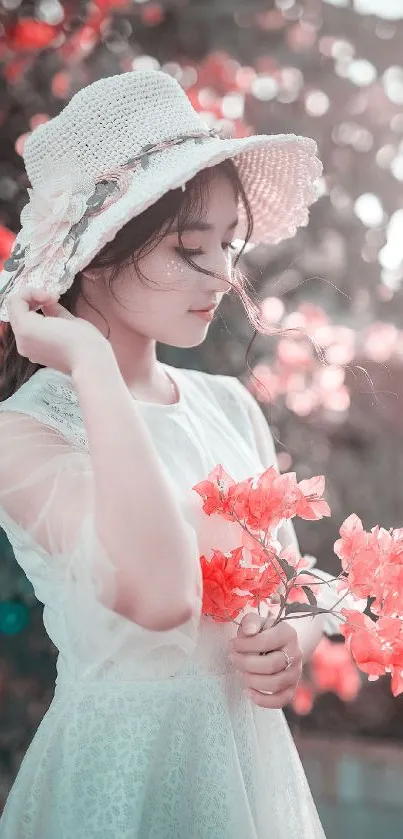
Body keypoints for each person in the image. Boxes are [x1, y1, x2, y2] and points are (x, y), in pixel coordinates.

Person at [0, 69, 340, 839]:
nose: (223, 275)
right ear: (96, 254)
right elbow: (160, 597)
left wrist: (297, 638)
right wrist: (89, 365)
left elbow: (294, 573)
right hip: (122, 781)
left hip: (251, 776)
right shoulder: (24, 434)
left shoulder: (228, 405)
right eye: (191, 248)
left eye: (228, 243)